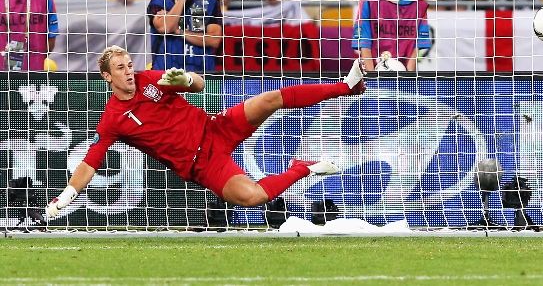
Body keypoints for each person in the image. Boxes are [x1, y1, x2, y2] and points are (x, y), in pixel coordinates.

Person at [45, 45, 367, 218]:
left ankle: (346, 87)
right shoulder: (113, 120)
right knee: (252, 197)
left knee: (271, 99)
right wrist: (68, 195)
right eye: (121, 68)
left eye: (130, 65)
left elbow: (199, 85)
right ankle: (304, 168)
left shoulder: (149, 79)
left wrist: (184, 80)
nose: (129, 72)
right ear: (106, 77)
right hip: (202, 165)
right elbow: (91, 161)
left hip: (215, 127)